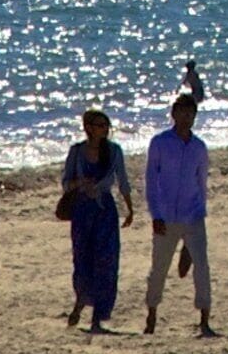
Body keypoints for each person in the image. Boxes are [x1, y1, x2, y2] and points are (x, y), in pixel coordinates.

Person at [139, 92, 215, 337]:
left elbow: (201, 183)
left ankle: (204, 319)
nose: (186, 118)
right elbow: (151, 181)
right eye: (182, 112)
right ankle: (152, 313)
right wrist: (155, 214)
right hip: (166, 216)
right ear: (173, 114)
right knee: (159, 268)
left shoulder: (198, 147)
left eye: (190, 113)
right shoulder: (160, 142)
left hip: (193, 215)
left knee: (202, 267)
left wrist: (201, 211)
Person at [59, 107, 137, 331]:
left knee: (107, 262)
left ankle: (98, 317)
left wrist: (130, 209)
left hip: (105, 211)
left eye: (106, 126)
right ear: (88, 128)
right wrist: (80, 183)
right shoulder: (77, 152)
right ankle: (80, 302)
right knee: (83, 260)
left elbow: (123, 181)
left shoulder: (114, 151)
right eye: (100, 126)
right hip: (82, 211)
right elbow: (65, 183)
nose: (105, 130)